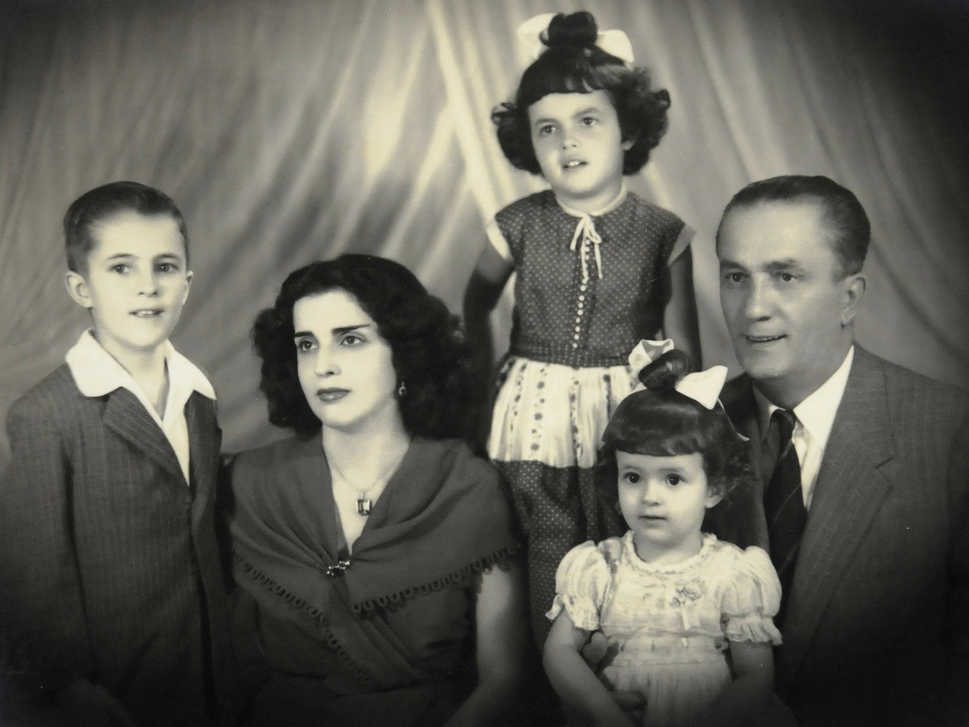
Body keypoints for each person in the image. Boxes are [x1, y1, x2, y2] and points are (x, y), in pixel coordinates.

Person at [463, 10, 700, 649]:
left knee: (625, 535)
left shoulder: (661, 232)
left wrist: (673, 396)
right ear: (528, 143)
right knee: (542, 534)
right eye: (548, 129)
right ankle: (551, 679)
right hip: (531, 411)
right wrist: (482, 387)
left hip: (623, 405)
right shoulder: (516, 223)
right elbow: (475, 305)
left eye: (588, 121)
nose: (568, 143)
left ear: (628, 131)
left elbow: (687, 349)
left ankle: (619, 671)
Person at [225, 255, 526, 727]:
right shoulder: (250, 485)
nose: (323, 366)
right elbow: (227, 673)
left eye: (350, 340)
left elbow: (505, 678)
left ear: (405, 354)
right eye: (306, 345)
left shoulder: (468, 486)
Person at [712, 174, 969, 725]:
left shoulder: (950, 432)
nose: (754, 307)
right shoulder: (681, 431)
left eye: (785, 276)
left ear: (849, 297)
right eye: (736, 276)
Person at [0, 181, 235, 725]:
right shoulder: (48, 415)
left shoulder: (199, 395)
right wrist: (70, 691)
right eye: (122, 268)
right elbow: (34, 585)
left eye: (166, 267)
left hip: (211, 678)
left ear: (188, 283)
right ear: (81, 288)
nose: (148, 288)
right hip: (114, 694)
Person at [543, 342, 781, 727]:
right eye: (633, 477)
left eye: (673, 479)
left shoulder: (732, 572)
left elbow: (756, 676)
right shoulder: (601, 566)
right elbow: (560, 652)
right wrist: (600, 709)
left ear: (714, 488)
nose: (650, 497)